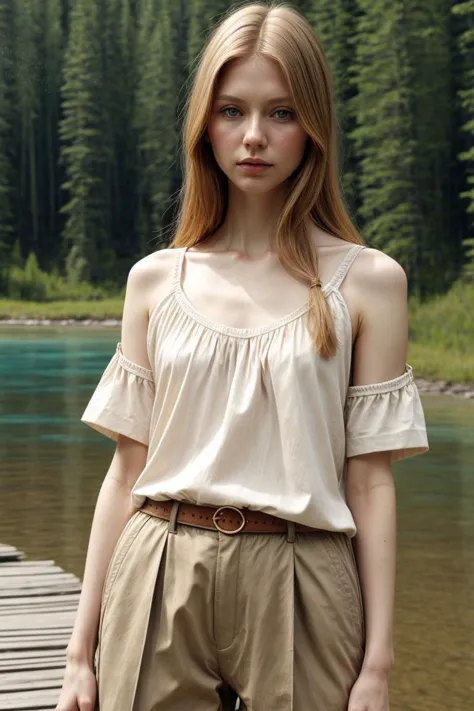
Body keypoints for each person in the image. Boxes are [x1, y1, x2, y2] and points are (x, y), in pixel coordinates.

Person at [56, 3, 429, 711]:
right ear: (204, 124)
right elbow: (125, 471)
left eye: (281, 113)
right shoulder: (156, 279)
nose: (254, 136)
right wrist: (81, 651)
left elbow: (372, 483)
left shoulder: (370, 281)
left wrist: (377, 664)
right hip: (159, 564)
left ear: (313, 124)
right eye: (232, 111)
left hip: (304, 573)